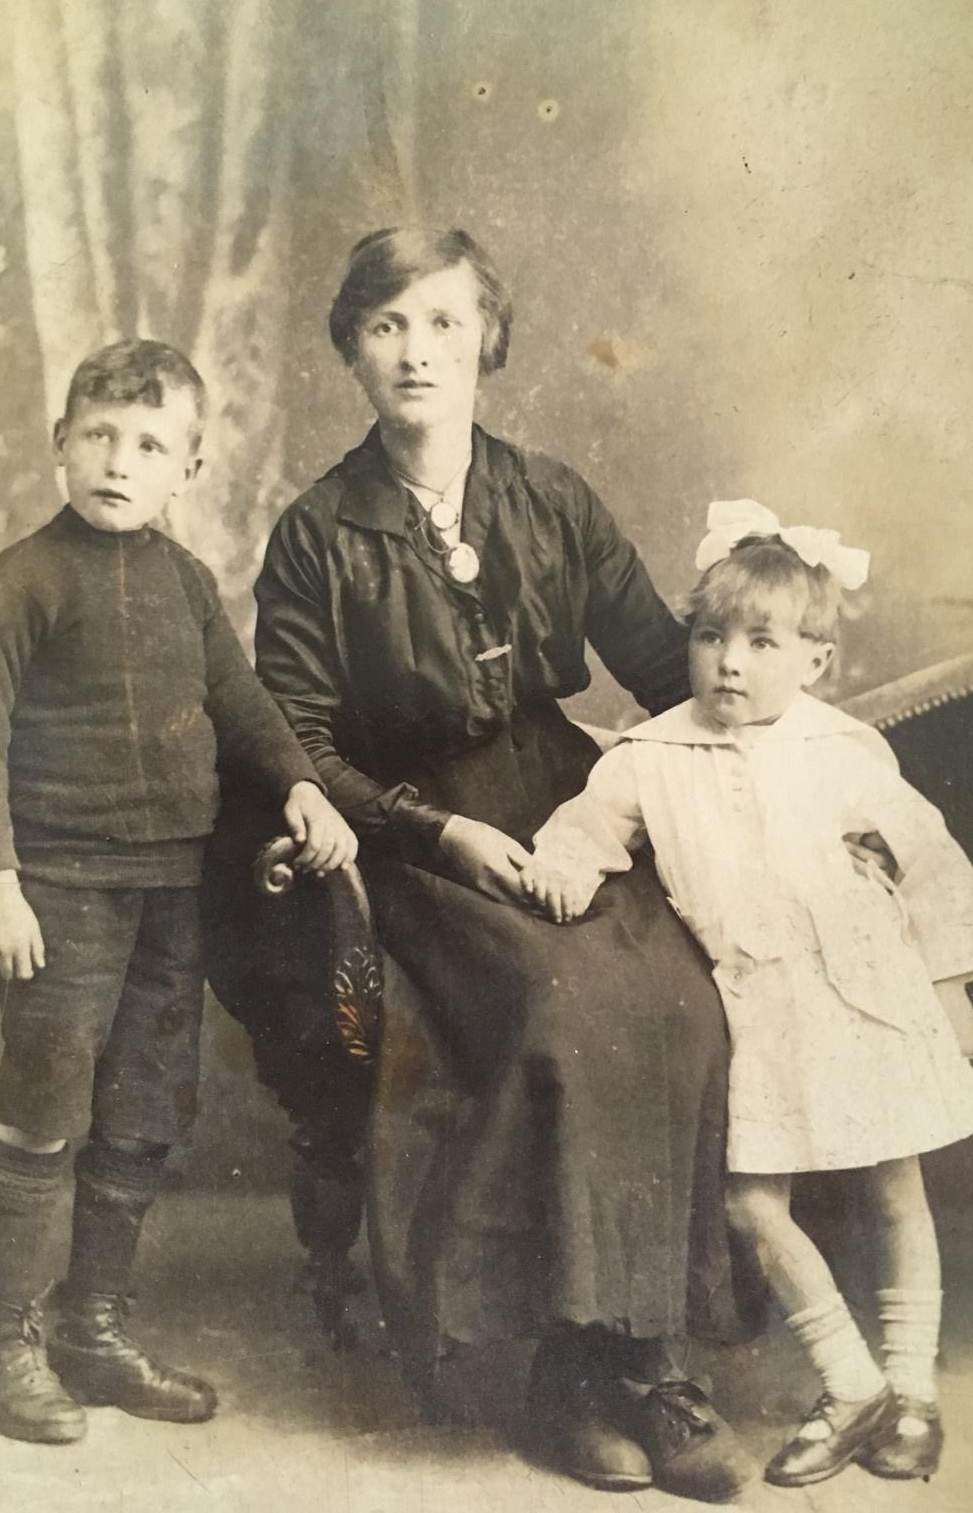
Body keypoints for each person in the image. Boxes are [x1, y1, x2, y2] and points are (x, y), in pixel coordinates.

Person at [251, 227, 755, 1501]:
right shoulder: (318, 534)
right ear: (352, 351)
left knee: (681, 999)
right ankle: (563, 1374)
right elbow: (297, 744)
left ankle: (645, 1357)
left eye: (441, 322)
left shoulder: (550, 498)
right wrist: (437, 831)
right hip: (411, 831)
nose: (417, 351)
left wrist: (794, 766)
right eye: (386, 326)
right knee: (565, 1003)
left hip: (566, 797)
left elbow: (659, 667)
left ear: (488, 338)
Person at [524, 498, 973, 1488]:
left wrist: (949, 981)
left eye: (761, 641)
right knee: (751, 1203)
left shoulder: (842, 749)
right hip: (757, 1008)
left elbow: (930, 865)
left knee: (896, 1189)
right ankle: (852, 1384)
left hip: (860, 990)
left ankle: (913, 1393)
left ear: (813, 659)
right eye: (712, 635)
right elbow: (585, 828)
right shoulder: (653, 755)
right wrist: (565, 865)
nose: (730, 661)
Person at [0, 339, 357, 1446]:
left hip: (173, 891)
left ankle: (93, 1328)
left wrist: (304, 788)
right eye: (100, 436)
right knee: (41, 1112)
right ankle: (11, 1343)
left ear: (191, 468)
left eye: (151, 443)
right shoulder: (20, 581)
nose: (121, 461)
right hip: (58, 895)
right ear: (60, 445)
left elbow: (246, 704)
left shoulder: (185, 582)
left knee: (147, 1110)